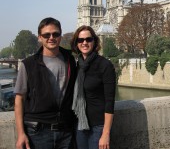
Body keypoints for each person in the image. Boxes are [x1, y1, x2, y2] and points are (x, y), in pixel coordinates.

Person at [14, 17, 77, 149]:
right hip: (38, 132)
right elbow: (19, 99)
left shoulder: (70, 60)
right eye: (46, 35)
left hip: (66, 130)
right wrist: (21, 134)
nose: (51, 37)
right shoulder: (28, 64)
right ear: (39, 38)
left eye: (55, 34)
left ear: (60, 35)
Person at [70, 25, 116, 149]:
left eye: (88, 39)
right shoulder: (77, 65)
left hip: (98, 127)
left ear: (94, 41)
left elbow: (109, 102)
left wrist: (105, 134)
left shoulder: (105, 65)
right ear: (76, 43)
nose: (84, 43)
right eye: (80, 40)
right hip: (80, 125)